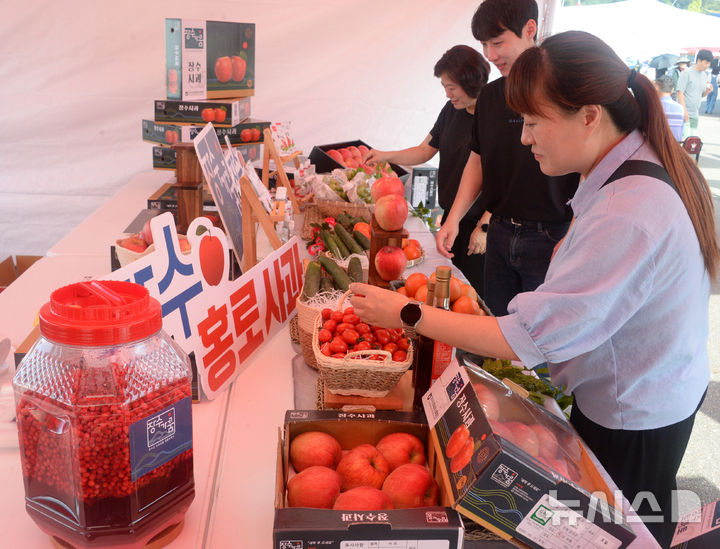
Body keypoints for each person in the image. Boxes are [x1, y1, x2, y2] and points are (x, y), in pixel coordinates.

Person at [350, 30, 718, 548]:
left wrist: (408, 313)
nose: (524, 138)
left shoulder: (628, 211)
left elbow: (526, 337)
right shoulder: (626, 171)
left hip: (634, 412)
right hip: (647, 388)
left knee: (617, 533)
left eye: (534, 121)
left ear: (589, 115)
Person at [434, 0, 579, 316]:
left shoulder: (564, 90)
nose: (490, 54)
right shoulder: (491, 95)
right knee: (496, 324)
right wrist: (455, 217)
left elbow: (590, 170)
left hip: (551, 235)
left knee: (540, 339)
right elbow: (478, 157)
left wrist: (574, 233)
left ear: (530, 29)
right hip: (500, 231)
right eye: (484, 44)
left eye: (498, 42)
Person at [363, 45, 491, 296]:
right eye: (444, 87)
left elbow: (505, 177)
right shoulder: (451, 111)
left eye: (451, 87)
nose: (447, 95)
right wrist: (384, 155)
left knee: (473, 295)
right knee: (451, 287)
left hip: (479, 226)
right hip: (453, 217)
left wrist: (486, 225)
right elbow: (425, 150)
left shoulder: (493, 115)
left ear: (471, 81)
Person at [676, 49, 713, 138]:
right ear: (699, 60)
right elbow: (680, 93)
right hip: (685, 114)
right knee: (685, 141)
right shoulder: (687, 73)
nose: (707, 65)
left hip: (695, 114)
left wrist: (707, 91)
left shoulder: (704, 75)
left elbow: (701, 94)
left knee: (692, 143)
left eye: (709, 63)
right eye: (706, 63)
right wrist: (684, 111)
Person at [654, 74, 684, 141]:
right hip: (676, 147)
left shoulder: (654, 107)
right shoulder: (680, 108)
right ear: (672, 90)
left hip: (657, 148)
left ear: (656, 88)